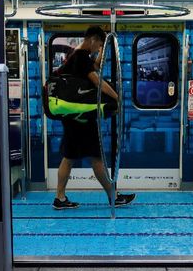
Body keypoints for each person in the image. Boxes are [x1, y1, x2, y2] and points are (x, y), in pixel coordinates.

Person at [52, 26, 136, 210]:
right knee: (96, 157)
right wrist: (117, 97)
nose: (98, 48)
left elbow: (95, 66)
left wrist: (103, 51)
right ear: (92, 39)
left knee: (69, 157)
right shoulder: (81, 57)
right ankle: (114, 197)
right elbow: (97, 81)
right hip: (81, 119)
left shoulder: (76, 55)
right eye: (98, 44)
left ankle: (60, 198)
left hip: (72, 116)